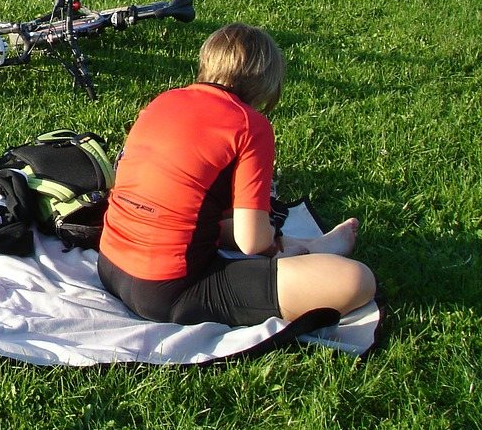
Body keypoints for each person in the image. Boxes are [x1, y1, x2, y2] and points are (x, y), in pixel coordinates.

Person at [97, 23, 376, 329]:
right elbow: (252, 242)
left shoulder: (163, 101)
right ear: (266, 80)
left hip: (110, 264)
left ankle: (300, 245)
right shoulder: (248, 124)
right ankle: (306, 252)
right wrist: (268, 243)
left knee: (210, 221)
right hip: (169, 289)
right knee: (357, 280)